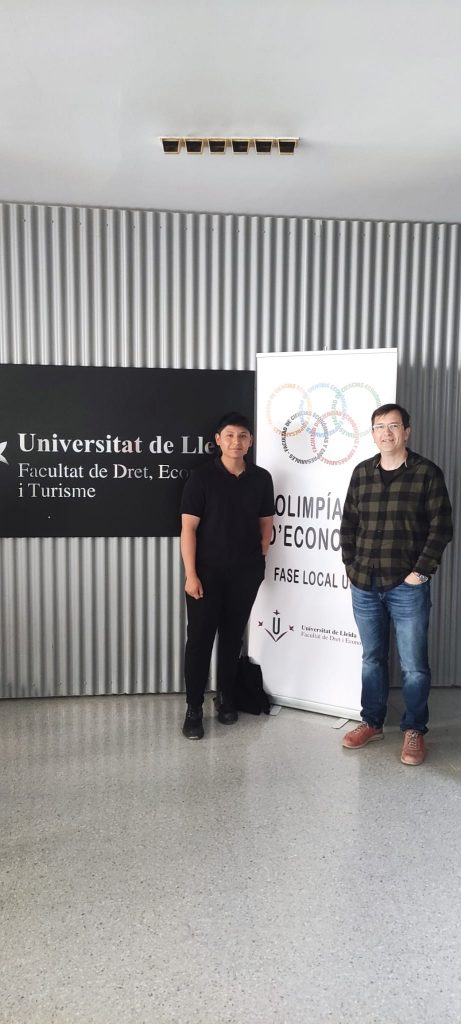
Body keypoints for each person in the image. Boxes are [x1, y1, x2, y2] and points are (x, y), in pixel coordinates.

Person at [340, 403, 452, 765]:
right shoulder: (362, 472)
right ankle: (372, 722)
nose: (386, 433)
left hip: (407, 586)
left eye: (393, 426)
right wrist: (351, 565)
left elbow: (441, 527)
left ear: (407, 431)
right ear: (372, 433)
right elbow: (348, 524)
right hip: (364, 583)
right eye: (379, 427)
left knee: (414, 665)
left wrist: (420, 572)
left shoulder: (426, 473)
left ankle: (414, 730)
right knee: (372, 658)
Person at [180, 412, 274, 739]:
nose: (237, 442)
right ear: (218, 440)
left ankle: (226, 698)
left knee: (233, 638)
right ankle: (194, 708)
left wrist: (259, 557)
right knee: (200, 640)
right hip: (206, 574)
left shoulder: (261, 478)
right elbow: (188, 529)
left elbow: (266, 523)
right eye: (230, 436)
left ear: (250, 442)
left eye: (243, 436)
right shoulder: (201, 478)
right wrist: (191, 574)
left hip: (245, 573)